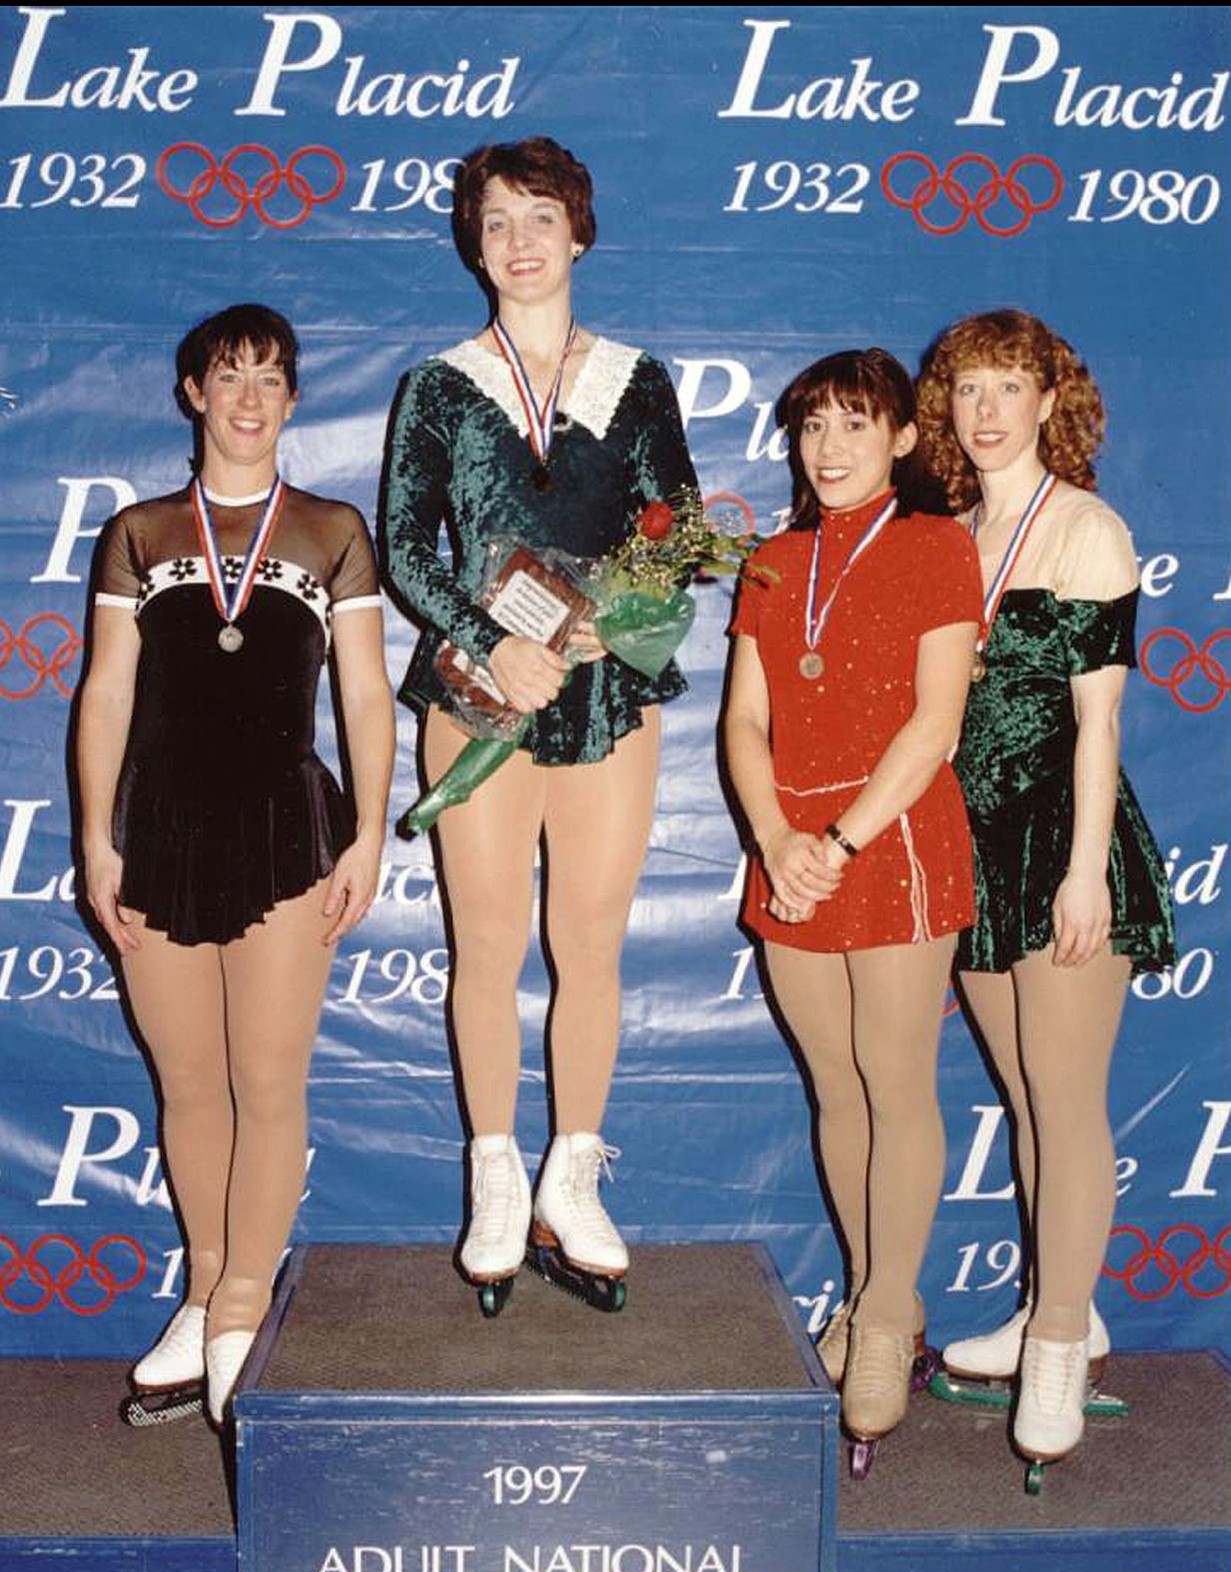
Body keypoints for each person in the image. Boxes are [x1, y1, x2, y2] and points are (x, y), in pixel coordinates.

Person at [380, 137, 697, 1310]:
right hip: (477, 690)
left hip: (603, 690)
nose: (519, 241)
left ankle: (573, 1169)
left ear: (580, 232)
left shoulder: (637, 378)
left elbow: (680, 527)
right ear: (473, 242)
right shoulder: (439, 383)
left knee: (591, 945)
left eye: (540, 217)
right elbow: (410, 545)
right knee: (488, 946)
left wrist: (605, 624)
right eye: (497, 220)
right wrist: (497, 637)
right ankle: (495, 1173)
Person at [78, 303, 395, 1425]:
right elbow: (107, 689)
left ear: (295, 401)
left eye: (271, 379)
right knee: (192, 1083)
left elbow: (363, 691)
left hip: (286, 830)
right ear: (192, 393)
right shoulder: (137, 532)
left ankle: (244, 1304)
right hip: (159, 829)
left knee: (267, 1079)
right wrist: (92, 833)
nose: (250, 399)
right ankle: (208, 1280)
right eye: (229, 377)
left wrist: (367, 831)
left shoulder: (332, 530)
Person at [916, 309, 1175, 1476]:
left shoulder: (1086, 527)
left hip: (1061, 847)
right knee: (1023, 1097)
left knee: (1066, 1101)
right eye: (967, 387)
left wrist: (1082, 874)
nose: (986, 409)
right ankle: (1049, 1302)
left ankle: (1062, 1342)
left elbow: (1099, 719)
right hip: (969, 850)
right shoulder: (947, 530)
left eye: (1009, 386)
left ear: (1047, 399)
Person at [722, 348, 982, 1468]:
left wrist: (836, 840)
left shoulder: (936, 543)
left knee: (895, 1078)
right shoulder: (772, 559)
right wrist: (778, 838)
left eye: (853, 425)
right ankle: (886, 1297)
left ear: (902, 439)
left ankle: (881, 1315)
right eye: (812, 426)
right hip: (790, 850)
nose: (827, 448)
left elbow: (936, 723)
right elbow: (743, 721)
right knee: (837, 1087)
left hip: (895, 836)